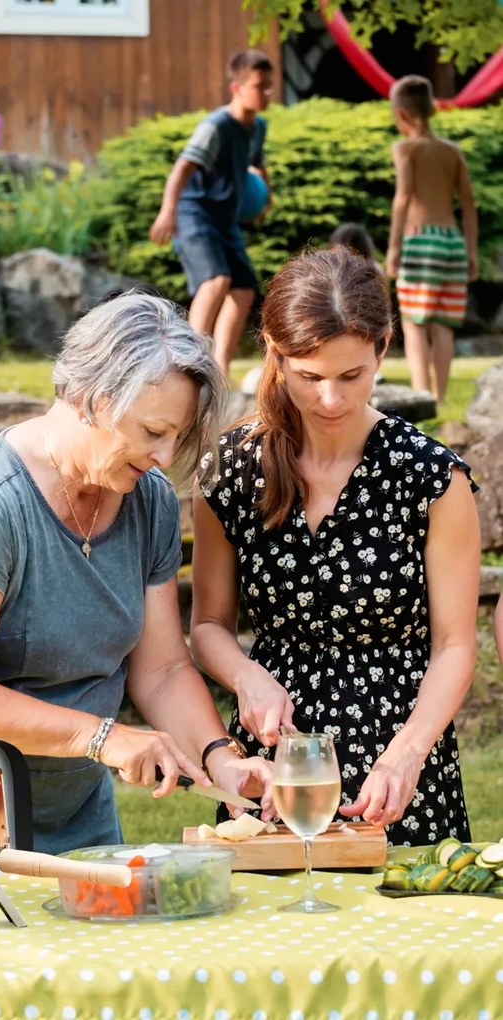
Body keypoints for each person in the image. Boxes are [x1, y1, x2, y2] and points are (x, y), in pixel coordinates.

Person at [0, 291, 273, 854]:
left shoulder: (147, 500)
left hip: (83, 821)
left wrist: (221, 759)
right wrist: (102, 737)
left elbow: (159, 670)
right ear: (89, 398)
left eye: (176, 437)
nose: (164, 455)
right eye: (153, 431)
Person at [190, 247, 480, 846]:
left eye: (351, 376)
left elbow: (454, 643)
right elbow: (208, 625)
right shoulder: (233, 466)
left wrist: (408, 752)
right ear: (274, 352)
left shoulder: (429, 477)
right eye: (309, 376)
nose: (330, 399)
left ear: (383, 348)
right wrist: (246, 677)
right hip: (274, 764)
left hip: (398, 757)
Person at [149, 49, 274, 377]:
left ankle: (218, 370)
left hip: (224, 217)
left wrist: (266, 197)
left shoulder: (257, 126)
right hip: (194, 212)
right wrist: (168, 210)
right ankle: (185, 362)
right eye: (260, 86)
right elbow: (182, 168)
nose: (267, 93)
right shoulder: (216, 126)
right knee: (216, 279)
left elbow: (257, 165)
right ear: (237, 88)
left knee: (244, 288)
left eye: (269, 86)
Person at [386, 74, 479, 404]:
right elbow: (468, 203)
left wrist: (394, 247)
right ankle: (439, 397)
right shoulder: (452, 151)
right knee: (443, 324)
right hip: (451, 242)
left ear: (402, 114)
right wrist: (471, 252)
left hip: (420, 241)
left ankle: (421, 396)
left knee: (413, 323)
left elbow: (403, 197)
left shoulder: (405, 148)